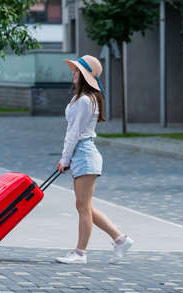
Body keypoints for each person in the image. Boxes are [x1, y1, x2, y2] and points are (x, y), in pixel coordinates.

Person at [55, 55, 133, 264]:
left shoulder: (83, 101)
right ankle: (120, 239)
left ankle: (80, 253)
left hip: (84, 154)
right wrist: (67, 158)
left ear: (85, 76)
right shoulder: (81, 99)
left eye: (77, 71)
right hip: (83, 154)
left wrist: (65, 159)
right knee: (85, 206)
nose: (73, 73)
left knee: (83, 207)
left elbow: (74, 133)